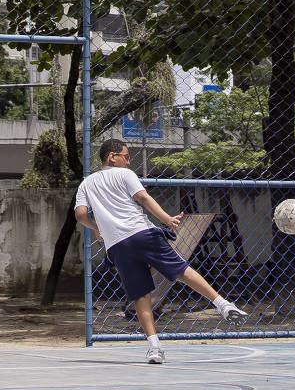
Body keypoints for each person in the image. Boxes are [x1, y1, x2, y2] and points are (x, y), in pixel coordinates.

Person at [74, 138, 246, 366]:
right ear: (111, 156)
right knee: (182, 271)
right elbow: (143, 198)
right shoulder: (125, 175)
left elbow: (80, 214)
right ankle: (223, 305)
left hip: (117, 246)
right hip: (141, 234)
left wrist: (98, 229)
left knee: (140, 295)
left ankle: (154, 347)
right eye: (125, 156)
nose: (128, 161)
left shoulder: (86, 184)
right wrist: (167, 219)